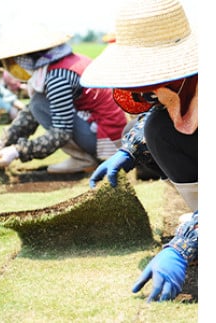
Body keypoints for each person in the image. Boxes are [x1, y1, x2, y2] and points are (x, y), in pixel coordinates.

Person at [80, 0, 198, 302]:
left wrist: (183, 246)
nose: (148, 94)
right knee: (154, 126)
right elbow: (153, 115)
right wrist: (128, 152)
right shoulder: (186, 87)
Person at [0, 24, 128, 174]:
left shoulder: (57, 78)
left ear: (28, 58)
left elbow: (62, 131)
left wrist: (18, 150)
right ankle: (83, 156)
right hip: (103, 128)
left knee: (38, 104)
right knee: (37, 104)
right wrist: (4, 140)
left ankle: (83, 158)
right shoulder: (62, 63)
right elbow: (30, 114)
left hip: (105, 136)